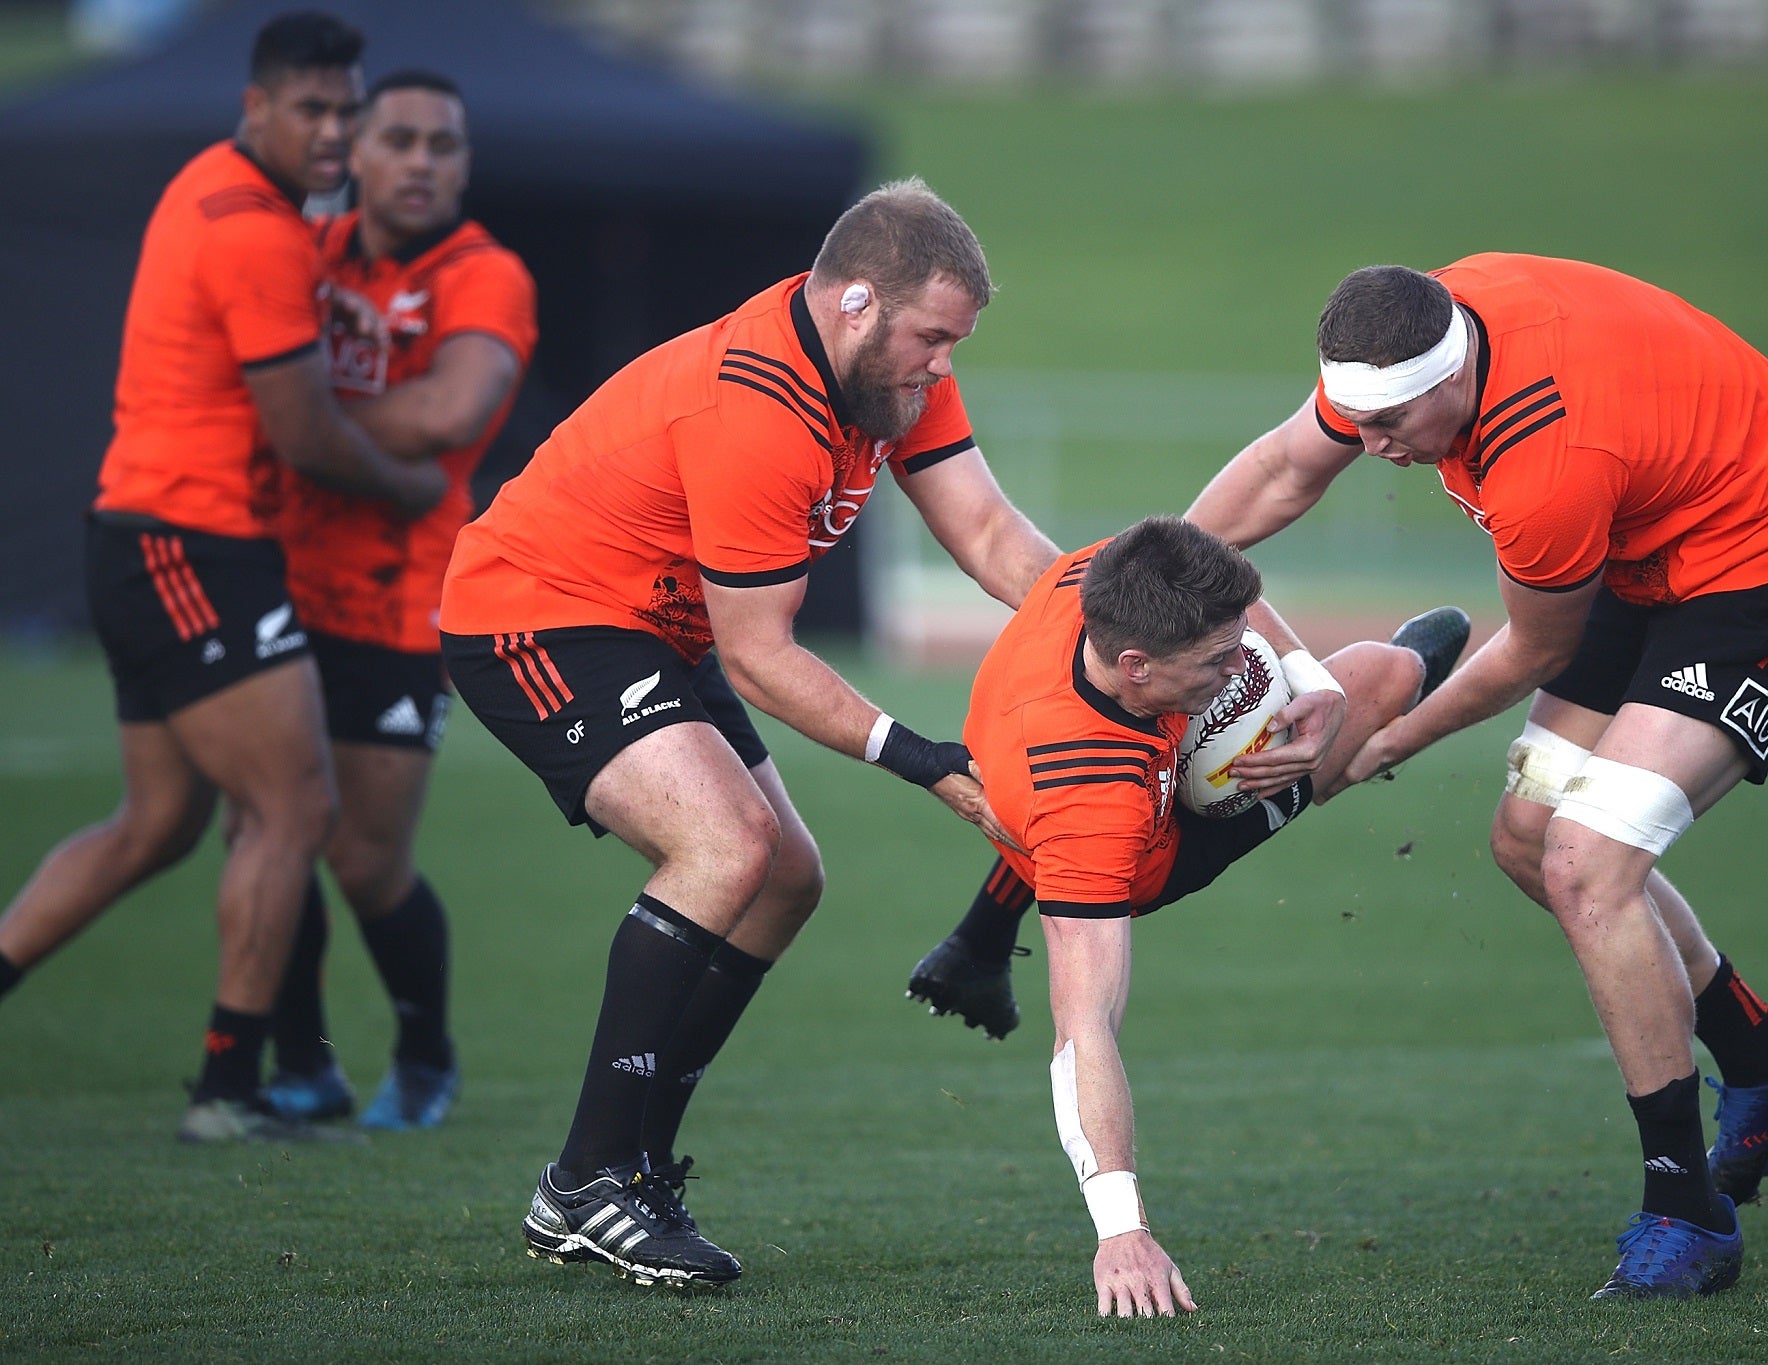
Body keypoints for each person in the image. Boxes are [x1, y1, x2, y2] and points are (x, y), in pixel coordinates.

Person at [1182, 254, 1768, 1300]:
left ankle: (1684, 1209)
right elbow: (1287, 465)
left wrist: (1380, 742)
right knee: (1525, 840)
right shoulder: (1408, 325)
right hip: (1644, 538)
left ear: (1449, 384)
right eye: (1358, 419)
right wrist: (1156, 567)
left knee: (1583, 862)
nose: (1373, 447)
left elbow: (1526, 651)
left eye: (1391, 427)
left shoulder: (1546, 462)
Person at [436, 179, 1065, 1290]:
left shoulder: (893, 376)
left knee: (784, 881)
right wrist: (922, 761)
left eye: (953, 343)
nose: (937, 363)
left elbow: (984, 527)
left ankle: (623, 1166)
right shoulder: (758, 404)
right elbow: (761, 656)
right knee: (726, 847)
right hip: (533, 611)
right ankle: (588, 1178)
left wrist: (1096, 621)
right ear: (857, 302)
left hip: (652, 625)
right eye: (929, 336)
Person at [0, 12, 445, 1143]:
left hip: (149, 539)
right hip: (189, 548)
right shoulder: (255, 229)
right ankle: (226, 1088)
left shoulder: (213, 184)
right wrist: (404, 485)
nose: (336, 133)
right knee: (295, 807)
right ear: (255, 108)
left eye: (348, 110)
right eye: (313, 110)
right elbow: (301, 433)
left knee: (154, 826)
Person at [916, 516, 1466, 1318]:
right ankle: (1380, 713)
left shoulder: (1107, 575)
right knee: (1376, 682)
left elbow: (1231, 598)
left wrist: (1307, 674)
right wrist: (1120, 1227)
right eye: (1217, 660)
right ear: (1136, 664)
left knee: (1325, 692)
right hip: (1138, 848)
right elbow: (1084, 1029)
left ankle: (976, 940)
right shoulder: (1095, 799)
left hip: (1053, 777)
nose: (1239, 665)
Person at [258, 69, 536, 1132]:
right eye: (402, 139)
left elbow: (446, 410)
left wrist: (300, 421)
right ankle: (301, 1071)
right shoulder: (304, 254)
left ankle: (424, 1054)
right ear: (355, 153)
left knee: (364, 856)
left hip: (398, 599)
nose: (424, 161)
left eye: (445, 146)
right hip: (275, 581)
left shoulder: (485, 274)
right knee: (269, 830)